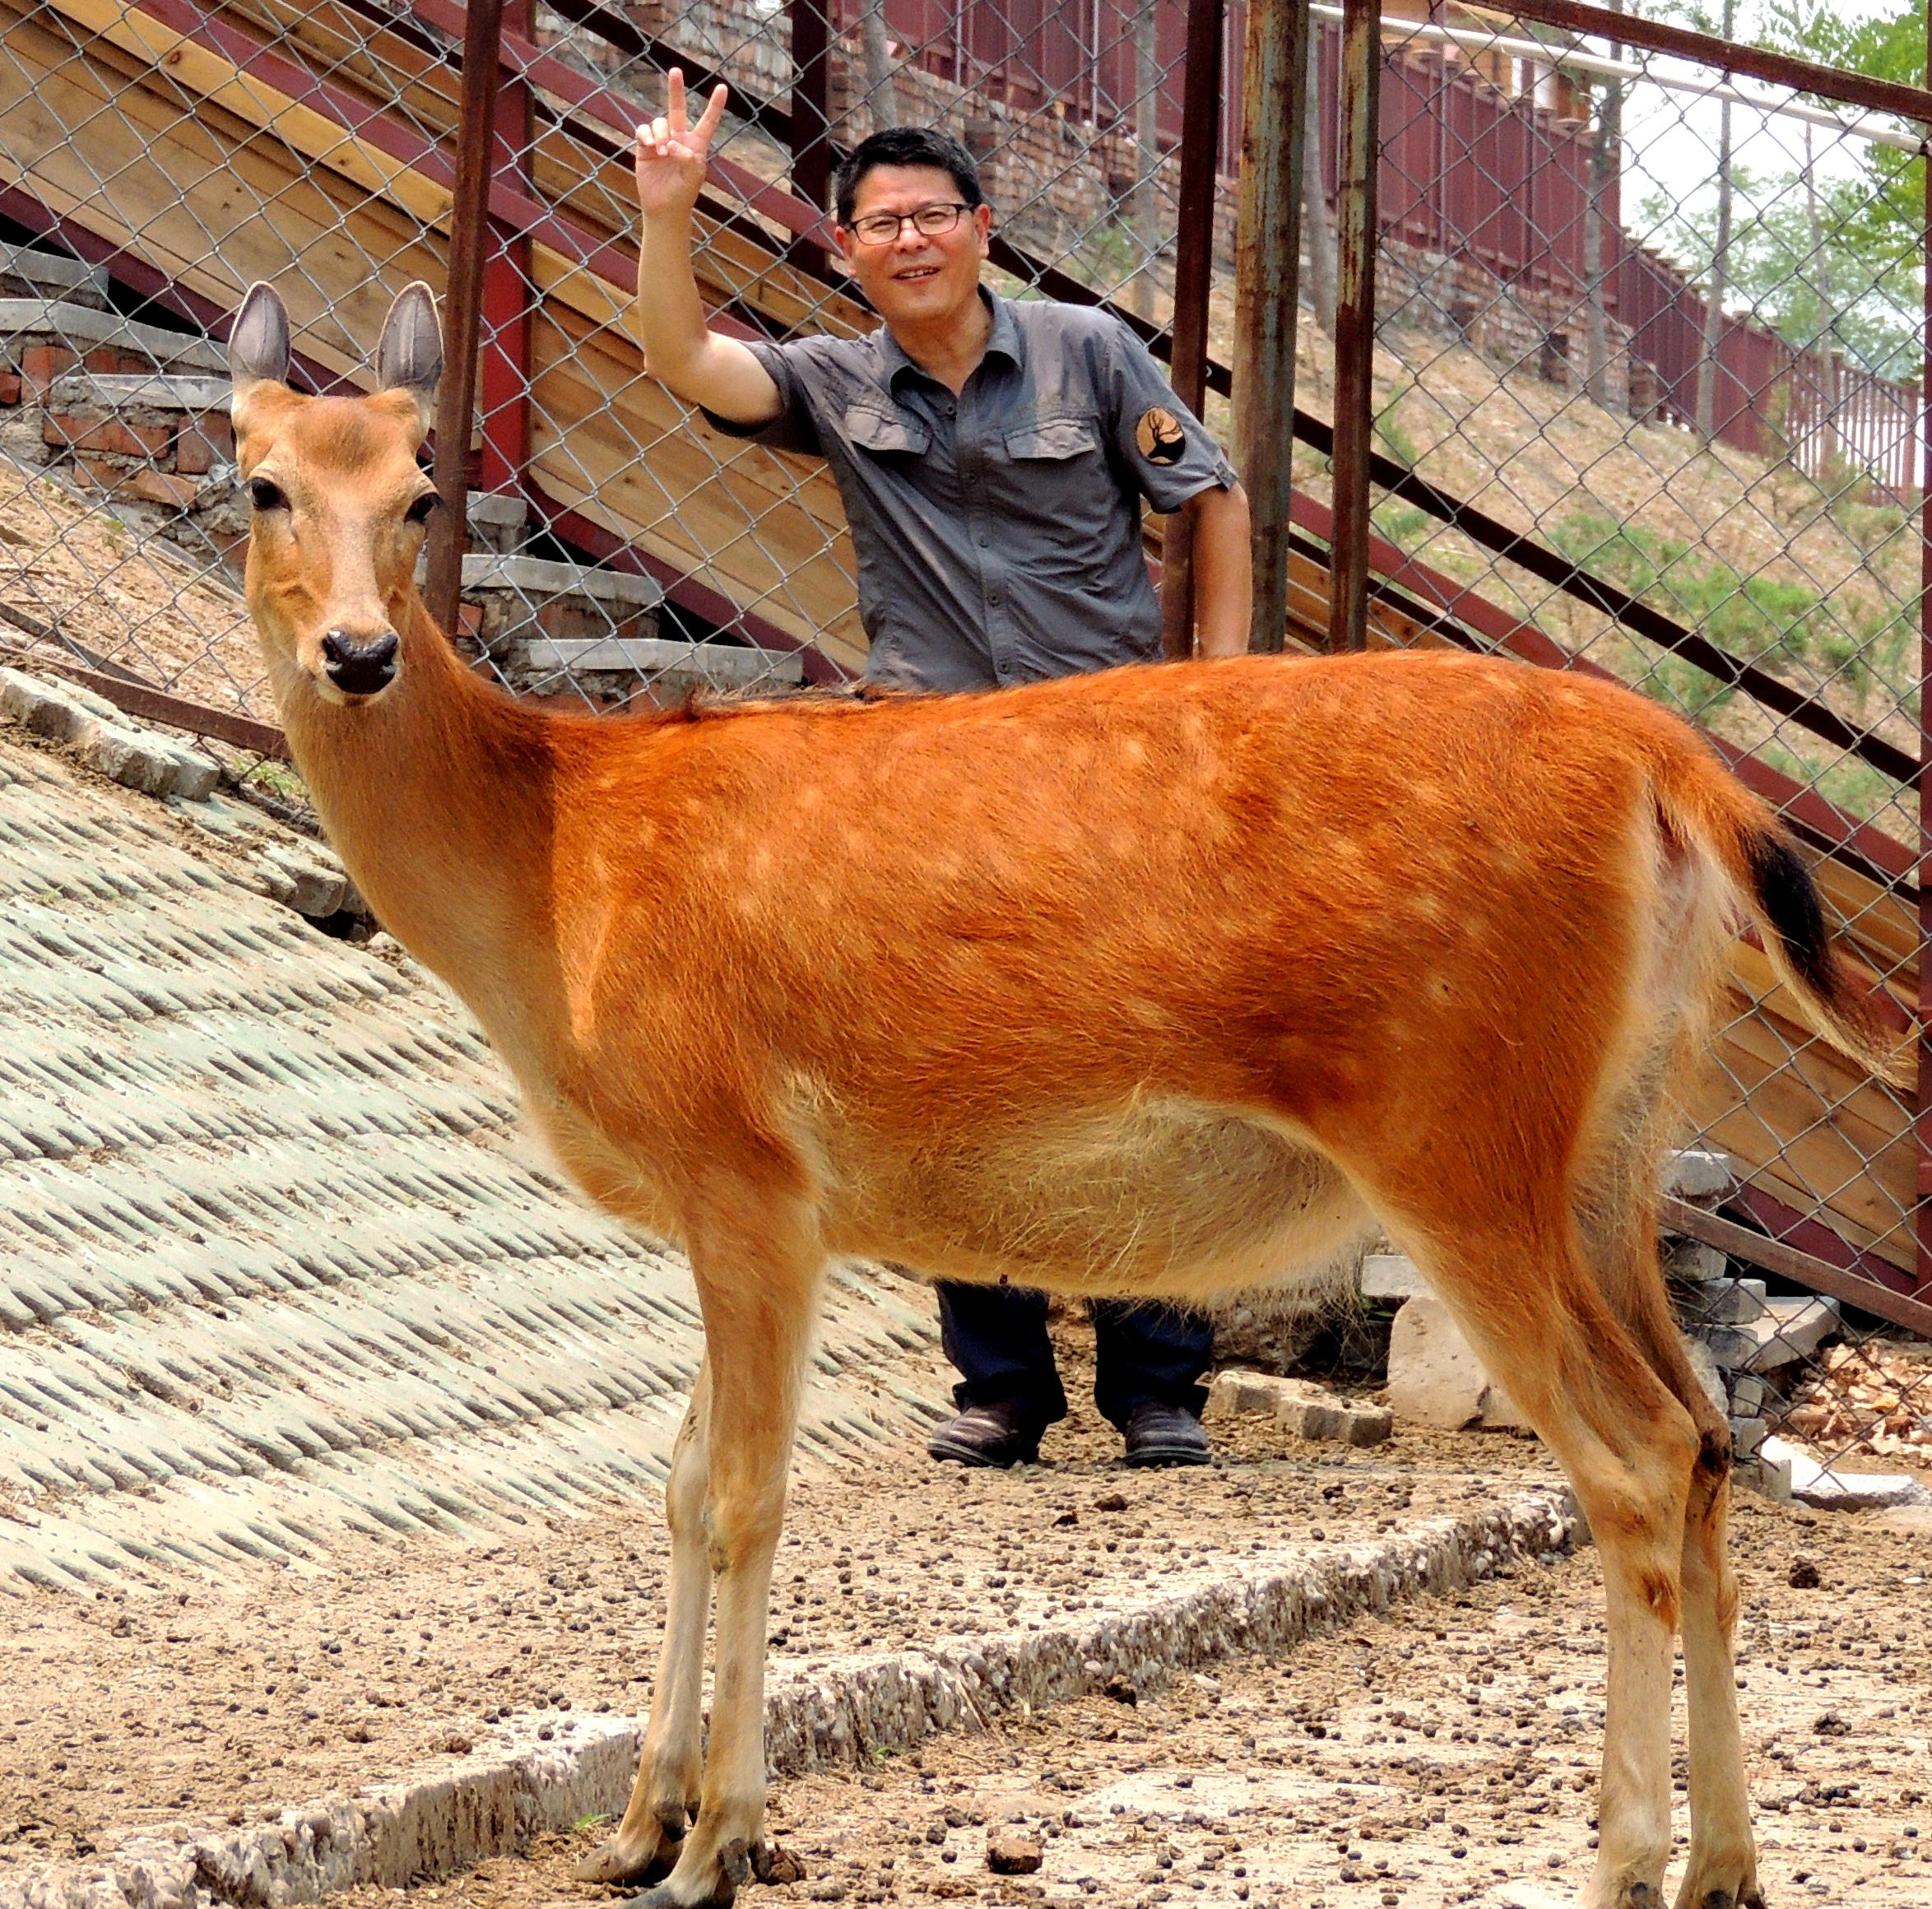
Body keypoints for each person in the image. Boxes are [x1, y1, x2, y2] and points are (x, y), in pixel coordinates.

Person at [634, 76, 1252, 1470]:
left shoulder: (1089, 353)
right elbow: (687, 364)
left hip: (1109, 766)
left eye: (931, 215)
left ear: (982, 229)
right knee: (949, 1068)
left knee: (1150, 1053)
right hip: (930, 784)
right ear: (846, 252)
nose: (906, 241)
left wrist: (1219, 692)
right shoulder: (837, 384)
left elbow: (1209, 499)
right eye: (876, 225)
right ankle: (1005, 1386)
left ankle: (1160, 1388)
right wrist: (666, 217)